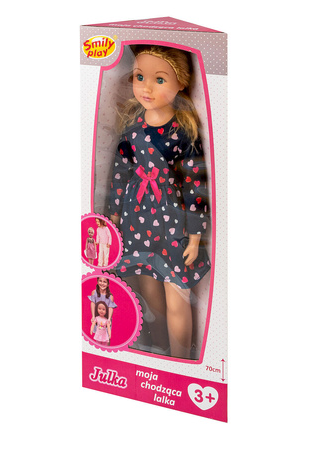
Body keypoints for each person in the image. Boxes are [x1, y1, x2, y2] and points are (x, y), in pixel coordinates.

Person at [108, 45, 211, 359]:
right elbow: (119, 173)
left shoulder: (183, 132)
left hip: (171, 220)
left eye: (160, 79)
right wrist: (112, 218)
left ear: (181, 83)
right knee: (147, 288)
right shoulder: (132, 129)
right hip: (135, 217)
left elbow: (195, 183)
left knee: (177, 292)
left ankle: (180, 360)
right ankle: (158, 352)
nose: (146, 87)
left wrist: (195, 235)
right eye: (139, 77)